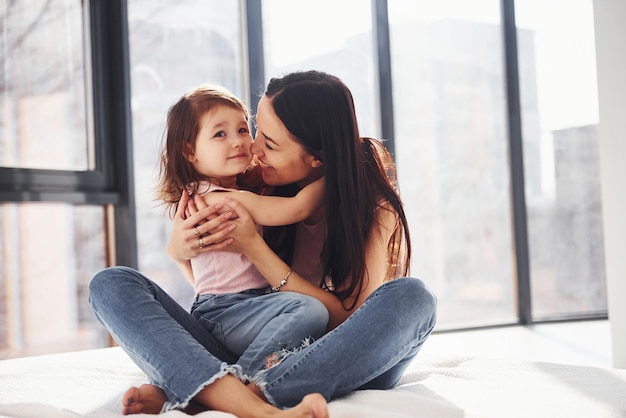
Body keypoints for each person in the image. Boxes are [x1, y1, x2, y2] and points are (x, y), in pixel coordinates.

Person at [88, 70, 437, 418]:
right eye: (256, 131)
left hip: (331, 356)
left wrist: (254, 246)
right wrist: (180, 250)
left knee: (414, 299)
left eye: (268, 143)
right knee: (112, 283)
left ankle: (225, 397)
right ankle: (246, 398)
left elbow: (348, 322)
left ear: (318, 157)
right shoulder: (260, 183)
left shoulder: (371, 206)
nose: (251, 148)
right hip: (257, 344)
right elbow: (226, 292)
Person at [153, 83, 328, 378]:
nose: (238, 141)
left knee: (305, 326)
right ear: (190, 151)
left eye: (243, 129)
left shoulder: (223, 191)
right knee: (309, 311)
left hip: (240, 306)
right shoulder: (220, 199)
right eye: (220, 134)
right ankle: (243, 380)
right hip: (224, 312)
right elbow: (297, 208)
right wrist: (336, 170)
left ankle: (256, 372)